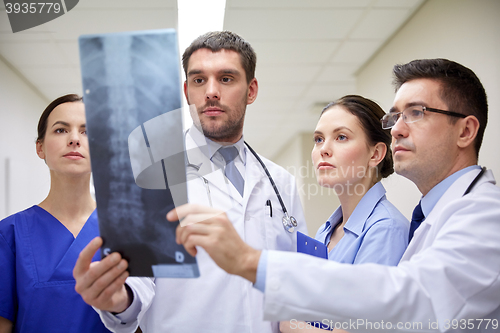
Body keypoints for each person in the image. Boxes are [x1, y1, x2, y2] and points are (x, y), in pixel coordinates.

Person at [171, 58, 500, 332]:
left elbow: (408, 298)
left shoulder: (485, 215)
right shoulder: (427, 217)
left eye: (416, 113)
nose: (397, 128)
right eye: (395, 116)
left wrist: (250, 262)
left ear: (466, 131)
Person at [72, 31, 306, 333]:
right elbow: (137, 286)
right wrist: (118, 299)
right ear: (186, 91)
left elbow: (297, 279)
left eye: (226, 78)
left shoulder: (280, 183)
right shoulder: (150, 174)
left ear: (251, 90)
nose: (211, 92)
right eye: (199, 80)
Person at [280, 95, 409, 332]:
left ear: (375, 154)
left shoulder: (386, 230)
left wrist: (290, 326)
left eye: (341, 137)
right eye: (318, 139)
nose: (323, 150)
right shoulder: (325, 232)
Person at [0, 94, 111, 333]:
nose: (74, 139)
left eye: (86, 131)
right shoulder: (9, 234)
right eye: (61, 130)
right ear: (40, 148)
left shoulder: (125, 232)